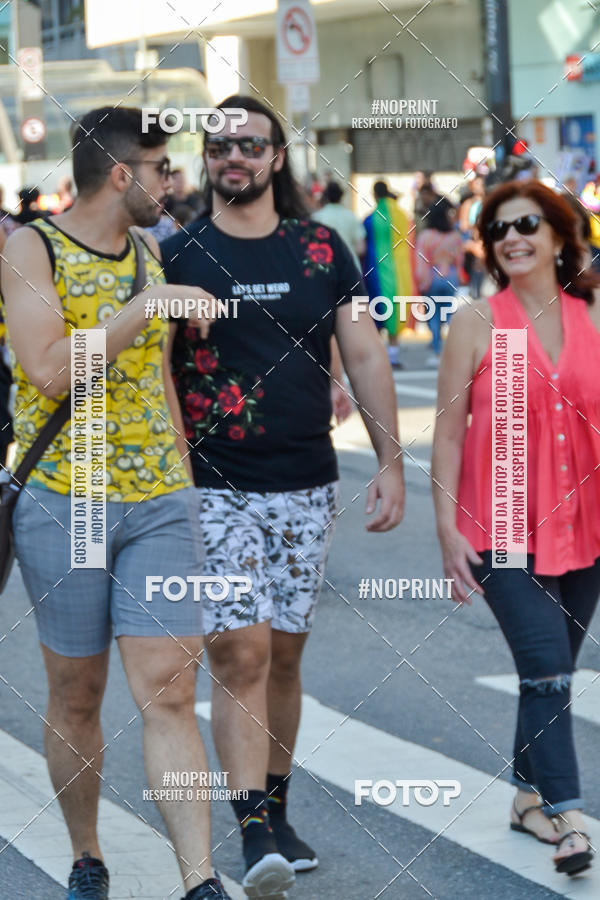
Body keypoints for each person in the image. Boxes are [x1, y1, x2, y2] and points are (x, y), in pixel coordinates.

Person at [161, 94, 405, 898]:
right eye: (220, 145)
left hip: (307, 483)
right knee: (242, 650)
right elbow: (152, 368)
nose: (235, 158)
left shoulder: (319, 248)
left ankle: (276, 803)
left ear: (276, 157)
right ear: (207, 157)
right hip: (214, 485)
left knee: (287, 656)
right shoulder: (178, 253)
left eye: (250, 145)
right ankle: (251, 827)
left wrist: (391, 462)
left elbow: (365, 356)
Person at [1, 106, 232, 900]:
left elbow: (157, 377)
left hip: (160, 499)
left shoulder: (148, 249)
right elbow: (49, 370)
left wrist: (187, 481)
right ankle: (88, 854)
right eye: (163, 169)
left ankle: (199, 878)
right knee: (77, 693)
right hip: (70, 500)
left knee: (170, 687)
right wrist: (147, 307)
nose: (174, 182)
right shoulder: (32, 246)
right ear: (124, 173)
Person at [432, 180, 600, 879]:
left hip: (586, 523)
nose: (512, 238)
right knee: (548, 671)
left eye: (527, 224)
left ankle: (526, 798)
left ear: (560, 235)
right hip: (500, 527)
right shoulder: (475, 320)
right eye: (499, 229)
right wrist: (446, 528)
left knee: (548, 674)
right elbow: (446, 434)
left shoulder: (592, 312)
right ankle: (568, 816)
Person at [363, 180, 416, 368]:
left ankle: (378, 358)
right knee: (397, 311)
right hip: (401, 273)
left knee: (376, 314)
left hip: (375, 272)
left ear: (375, 194)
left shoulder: (371, 219)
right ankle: (393, 357)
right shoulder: (403, 216)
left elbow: (362, 246)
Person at [415, 202, 463, 364]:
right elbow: (459, 259)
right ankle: (456, 350)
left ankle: (437, 352)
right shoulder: (454, 236)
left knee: (433, 315)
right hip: (451, 275)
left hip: (432, 275)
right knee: (449, 313)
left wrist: (422, 282)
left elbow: (421, 261)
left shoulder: (426, 236)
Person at [312, 181, 366, 268]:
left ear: (326, 197)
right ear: (341, 196)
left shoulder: (317, 218)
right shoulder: (351, 216)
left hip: (326, 268)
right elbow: (361, 249)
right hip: (351, 267)